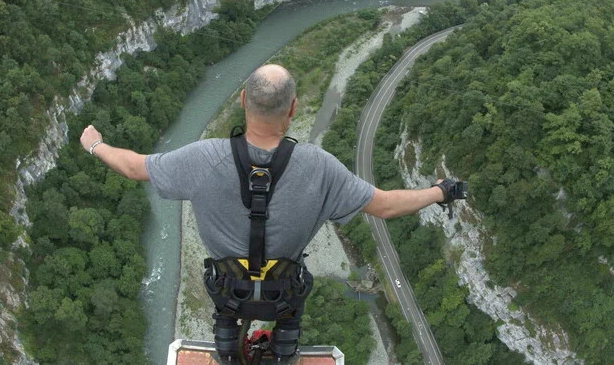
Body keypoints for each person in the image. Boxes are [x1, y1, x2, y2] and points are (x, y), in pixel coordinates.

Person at [80, 64, 457, 363]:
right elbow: (386, 206)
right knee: (291, 307)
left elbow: (134, 167)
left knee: (227, 309)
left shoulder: (203, 158)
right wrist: (438, 192)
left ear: (243, 100)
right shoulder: (319, 167)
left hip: (228, 292)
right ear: (293, 108)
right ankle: (283, 349)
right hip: (283, 295)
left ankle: (228, 345)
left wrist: (95, 144)